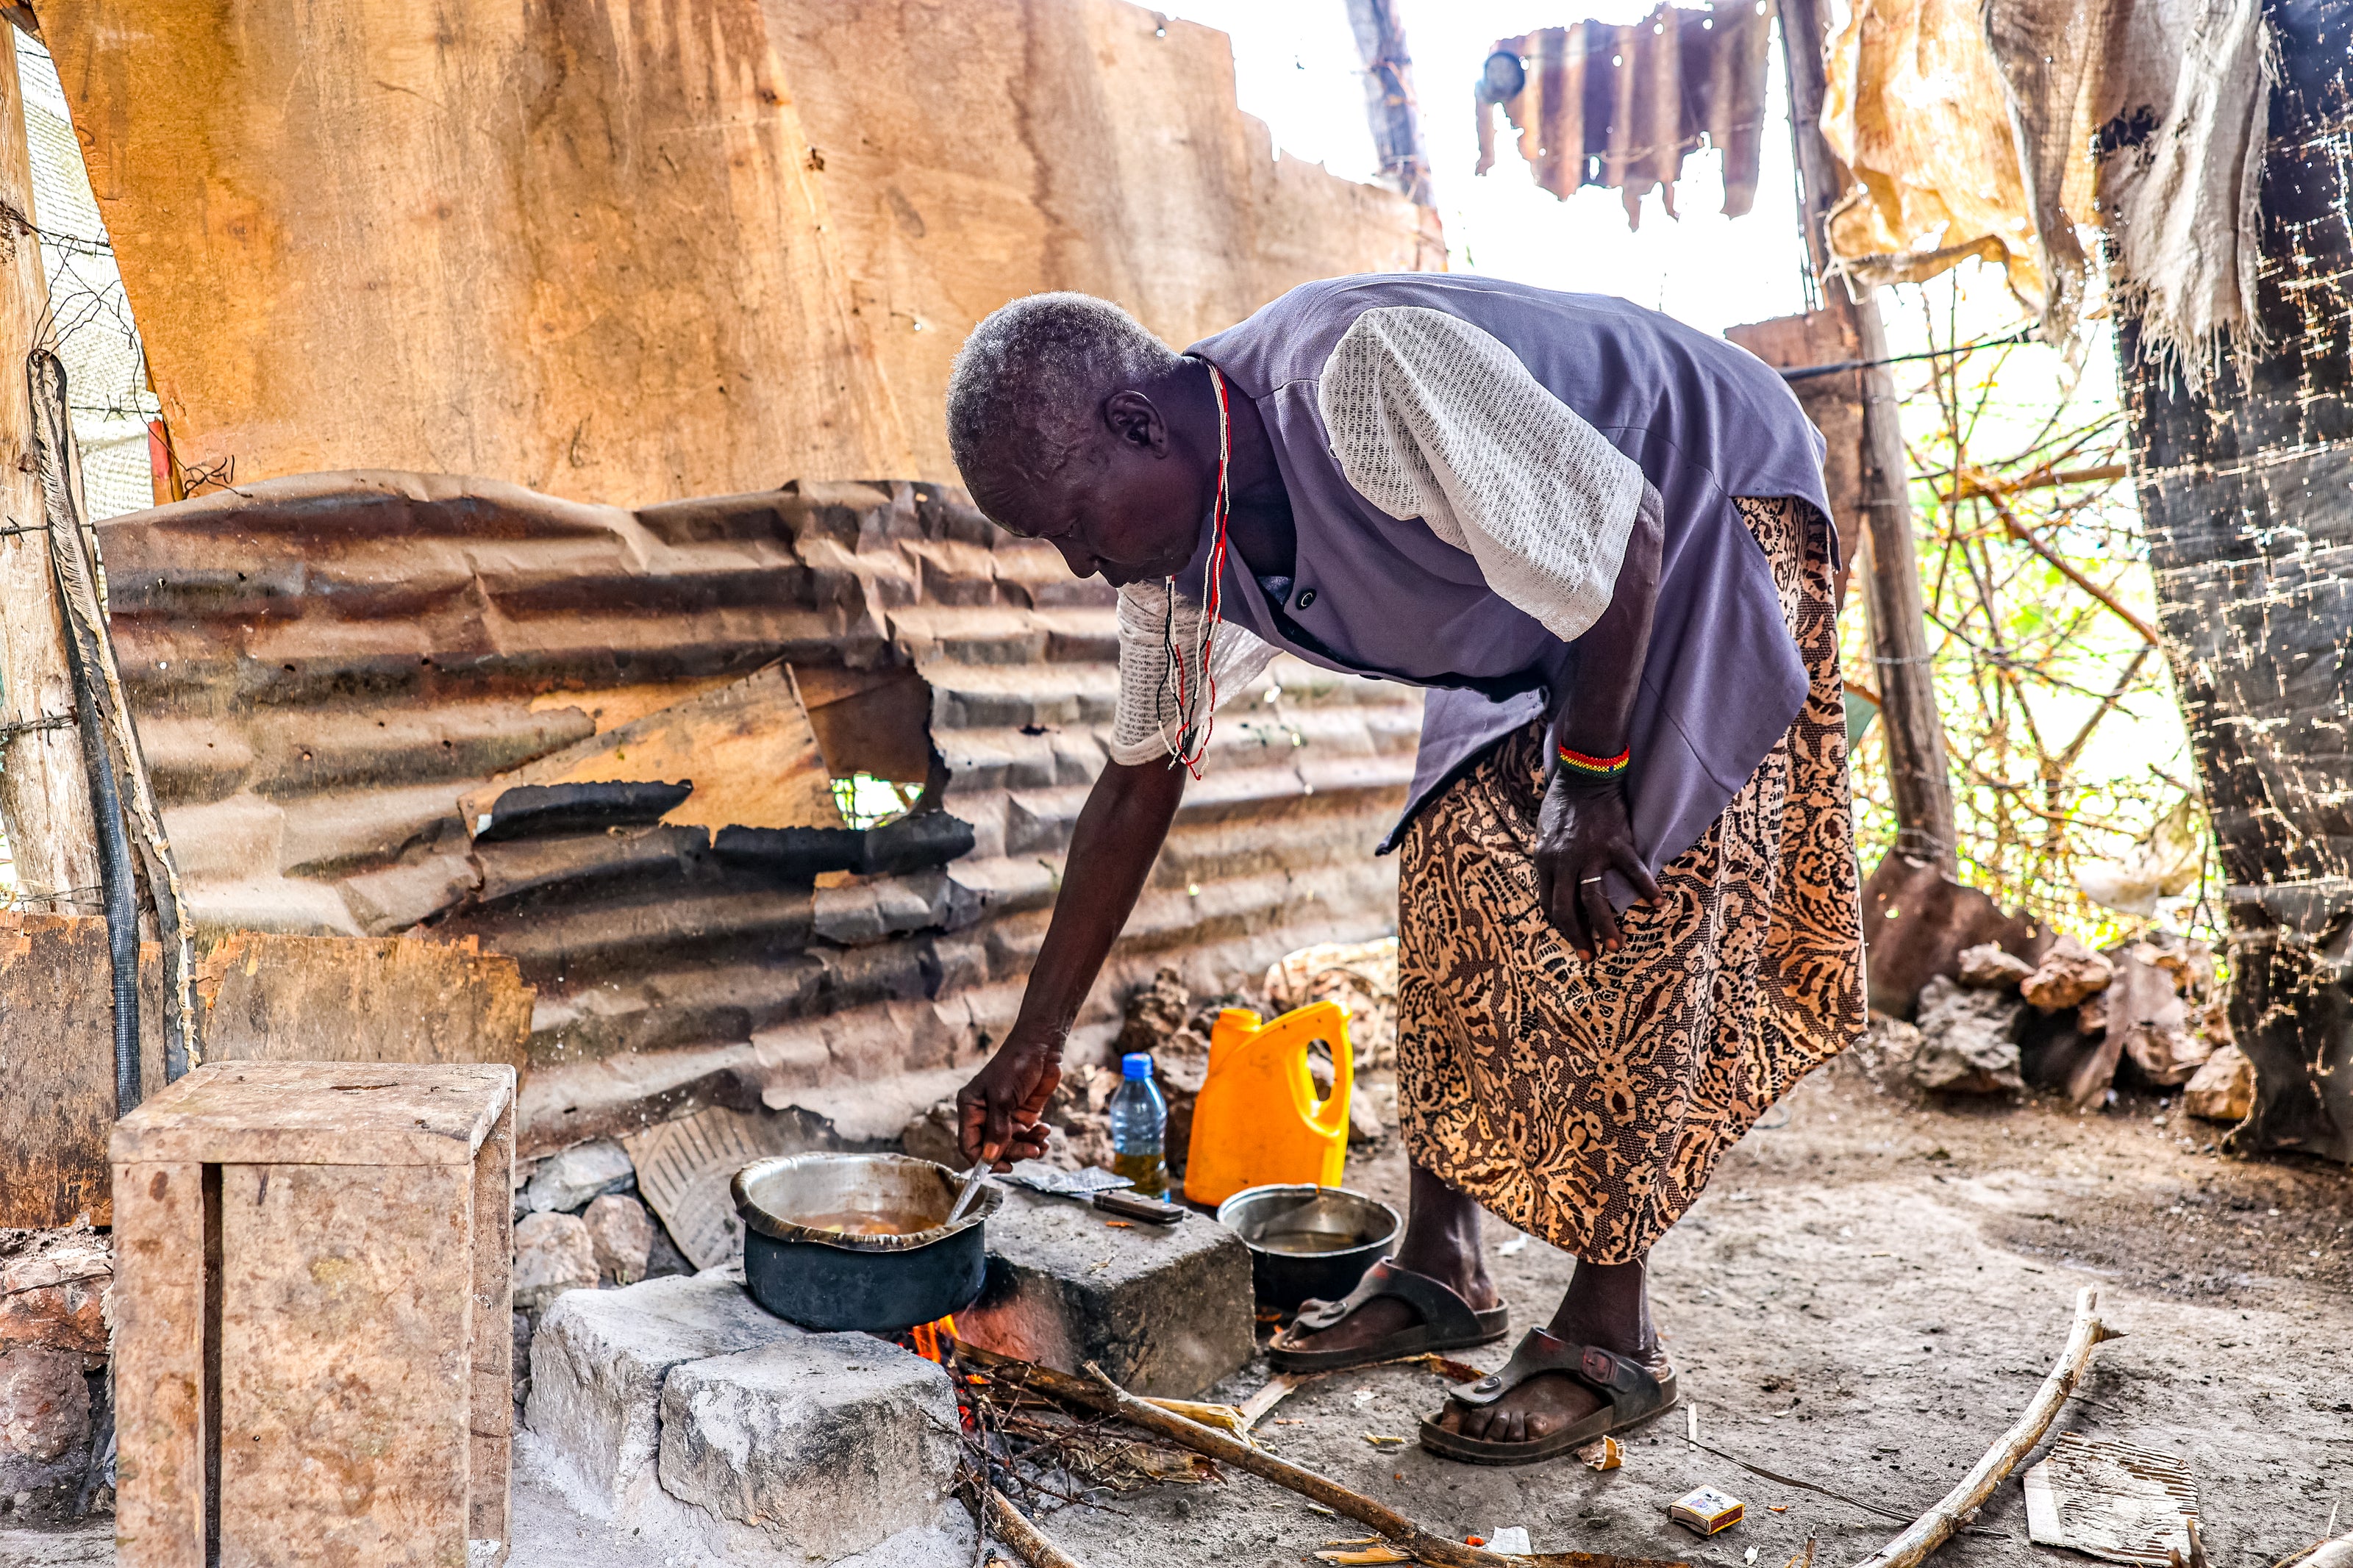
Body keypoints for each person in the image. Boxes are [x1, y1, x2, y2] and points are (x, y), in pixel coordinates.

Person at [944, 273, 1865, 1465]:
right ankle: (1443, 1261)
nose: (1079, 562)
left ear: (1137, 426)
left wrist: (1588, 774)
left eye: (1072, 521)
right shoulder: (1177, 552)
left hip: (1689, 508)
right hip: (1544, 594)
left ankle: (1610, 1325)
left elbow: (1622, 532)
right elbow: (1139, 776)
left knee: (1627, 897)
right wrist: (1038, 1034)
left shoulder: (1363, 376)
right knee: (1451, 865)